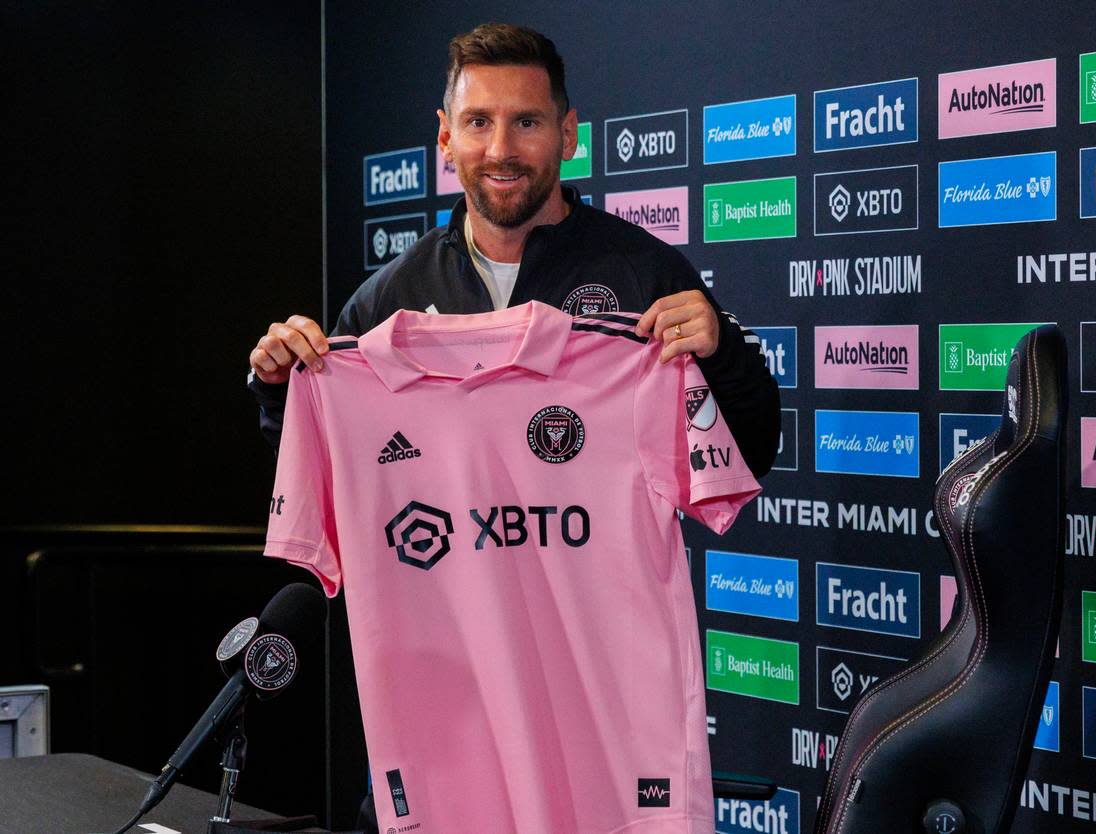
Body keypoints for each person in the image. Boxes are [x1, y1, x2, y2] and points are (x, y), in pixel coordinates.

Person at [247, 22, 779, 832]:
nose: (503, 146)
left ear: (567, 133)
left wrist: (724, 352)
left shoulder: (643, 277)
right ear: (445, 137)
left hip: (600, 740)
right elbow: (330, 476)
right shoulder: (381, 305)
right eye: (480, 122)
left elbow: (748, 453)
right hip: (444, 741)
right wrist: (281, 392)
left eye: (527, 122)